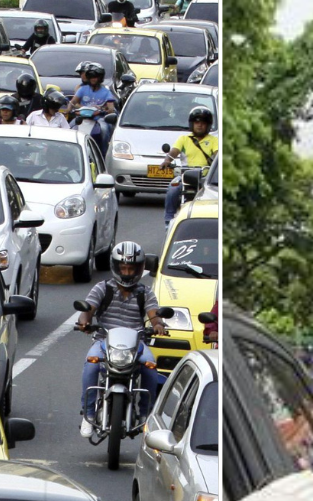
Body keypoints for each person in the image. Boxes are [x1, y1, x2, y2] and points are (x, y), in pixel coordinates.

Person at [74, 241, 167, 437]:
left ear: (140, 268)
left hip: (137, 345)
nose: (127, 272)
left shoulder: (145, 293)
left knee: (150, 367)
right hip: (104, 342)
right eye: (123, 268)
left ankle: (146, 415)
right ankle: (88, 414)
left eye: (131, 268)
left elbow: (154, 314)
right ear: (115, 267)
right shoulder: (102, 288)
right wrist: (84, 322)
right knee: (91, 365)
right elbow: (88, 310)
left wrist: (158, 325)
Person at [160, 106, 216, 228]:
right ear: (192, 124)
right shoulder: (184, 139)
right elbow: (174, 151)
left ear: (208, 125)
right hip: (185, 176)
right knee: (173, 188)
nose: (199, 125)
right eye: (197, 122)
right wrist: (167, 160)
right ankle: (168, 220)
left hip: (206, 178)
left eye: (203, 123)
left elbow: (218, 155)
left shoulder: (214, 140)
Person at [68, 62, 116, 149]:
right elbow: (73, 102)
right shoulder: (82, 89)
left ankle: (104, 152)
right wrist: (68, 109)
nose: (93, 79)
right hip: (82, 118)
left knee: (104, 130)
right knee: (69, 128)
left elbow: (111, 108)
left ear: (100, 78)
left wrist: (103, 109)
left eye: (96, 77)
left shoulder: (106, 92)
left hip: (99, 119)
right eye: (91, 77)